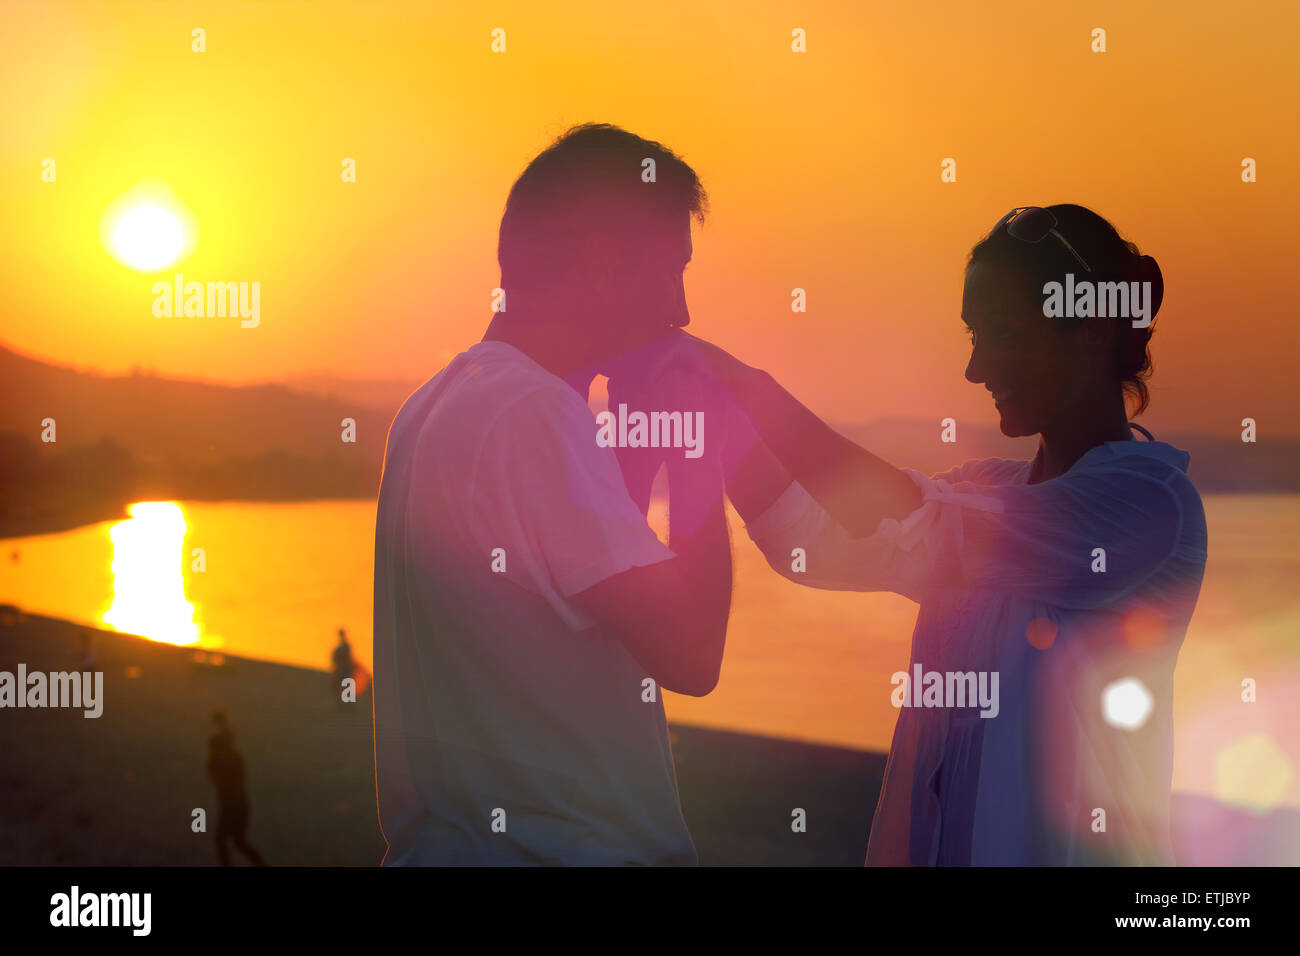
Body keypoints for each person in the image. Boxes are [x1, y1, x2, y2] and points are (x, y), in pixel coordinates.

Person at [649, 204, 1208, 865]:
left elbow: (922, 522)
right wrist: (716, 413)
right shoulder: (984, 490)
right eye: (974, 335)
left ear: (1089, 331)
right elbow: (813, 539)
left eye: (1001, 334)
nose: (976, 367)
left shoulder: (1147, 503)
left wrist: (747, 386)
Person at [372, 124, 733, 865]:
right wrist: (700, 450)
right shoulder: (536, 416)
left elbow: (583, 589)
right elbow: (693, 655)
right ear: (601, 265)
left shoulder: (436, 405)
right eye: (672, 273)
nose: (684, 310)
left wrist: (639, 447)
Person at [206, 710, 267, 866]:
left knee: (226, 840)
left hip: (233, 805)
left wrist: (223, 724)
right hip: (235, 805)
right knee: (235, 841)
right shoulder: (230, 757)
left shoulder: (229, 759)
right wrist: (223, 724)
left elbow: (218, 777)